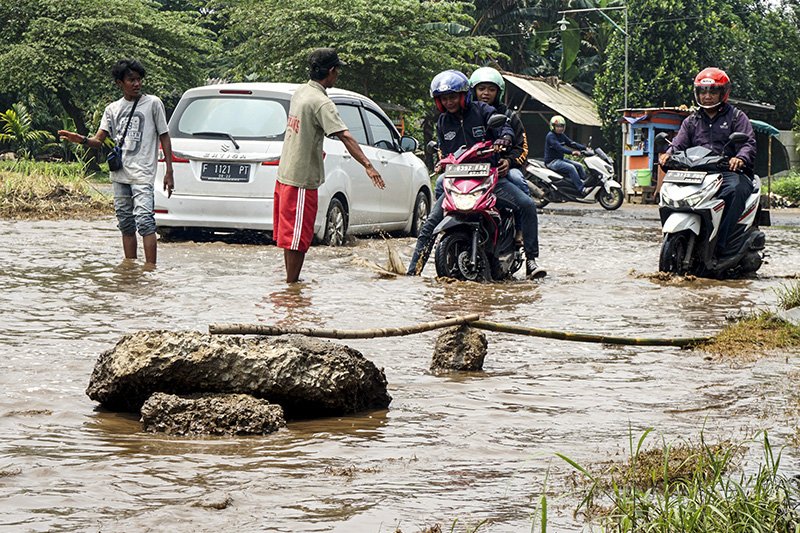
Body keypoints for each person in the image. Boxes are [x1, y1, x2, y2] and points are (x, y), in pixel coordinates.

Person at [407, 70, 546, 279]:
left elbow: (505, 128)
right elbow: (444, 151)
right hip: (458, 183)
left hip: (489, 180)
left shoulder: (483, 110)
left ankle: (532, 260)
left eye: (453, 97)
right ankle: (412, 272)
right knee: (429, 225)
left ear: (464, 95)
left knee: (526, 205)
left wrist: (504, 139)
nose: (449, 102)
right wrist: (441, 162)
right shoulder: (443, 122)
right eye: (444, 99)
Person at [275, 48, 384, 283]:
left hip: (285, 174)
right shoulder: (321, 102)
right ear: (332, 71)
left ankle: (291, 285)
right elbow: (345, 136)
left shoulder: (301, 92)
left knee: (290, 235)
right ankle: (292, 286)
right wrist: (368, 165)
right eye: (337, 71)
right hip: (301, 179)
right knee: (299, 237)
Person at [59, 59, 174, 268]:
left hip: (143, 173)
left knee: (145, 221)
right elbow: (98, 141)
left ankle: (150, 270)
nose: (137, 84)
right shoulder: (112, 109)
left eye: (139, 79)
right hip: (120, 174)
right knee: (125, 222)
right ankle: (129, 267)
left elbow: (165, 136)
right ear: (119, 83)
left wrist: (169, 171)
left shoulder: (154, 104)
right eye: (131, 80)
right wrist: (80, 139)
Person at [658, 67, 755, 260]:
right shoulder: (691, 121)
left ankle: (722, 244)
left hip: (728, 172)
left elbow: (748, 143)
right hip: (698, 173)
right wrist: (667, 155)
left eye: (713, 91)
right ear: (697, 93)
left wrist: (740, 158)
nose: (707, 96)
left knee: (735, 191)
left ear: (723, 92)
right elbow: (678, 144)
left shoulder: (736, 117)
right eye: (703, 91)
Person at [544, 115, 588, 195]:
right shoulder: (551, 136)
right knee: (571, 168)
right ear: (553, 126)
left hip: (560, 159)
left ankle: (586, 184)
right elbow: (559, 148)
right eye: (558, 126)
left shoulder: (561, 135)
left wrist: (584, 148)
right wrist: (572, 152)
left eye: (562, 126)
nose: (560, 128)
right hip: (552, 162)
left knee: (579, 165)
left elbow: (571, 143)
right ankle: (581, 189)